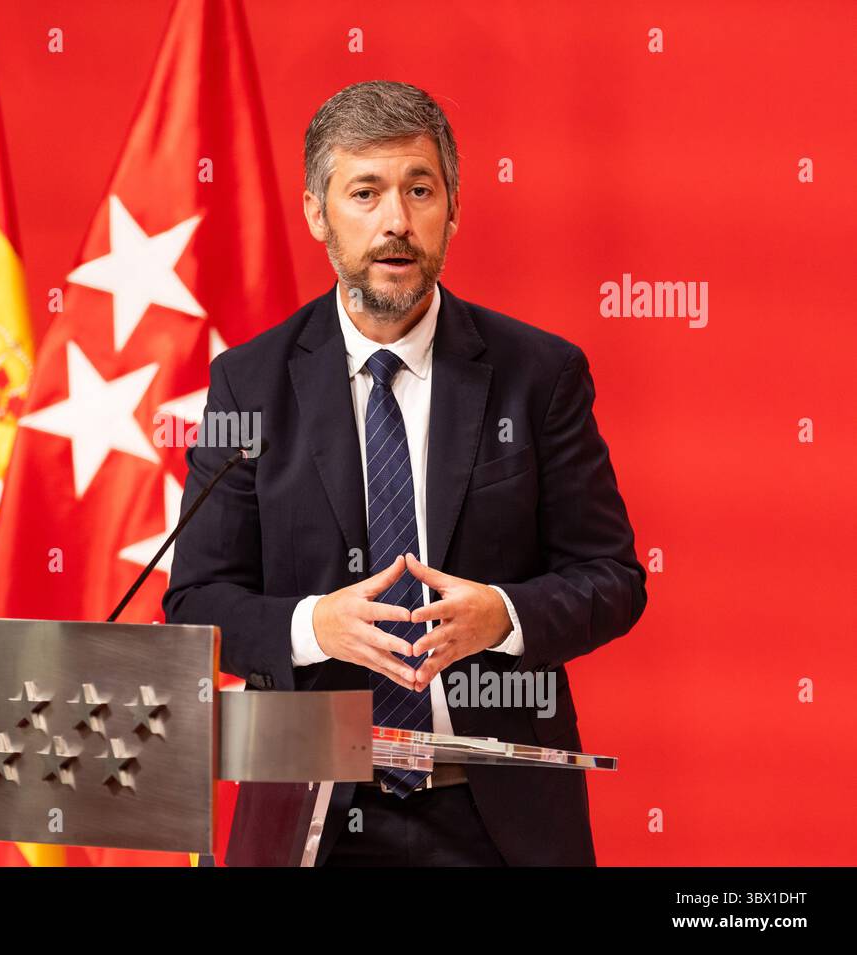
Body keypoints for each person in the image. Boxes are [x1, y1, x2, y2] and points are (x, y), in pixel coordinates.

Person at [163, 80, 647, 866]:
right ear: (318, 213)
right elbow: (195, 603)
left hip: (498, 821)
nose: (396, 221)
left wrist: (504, 614)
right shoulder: (247, 385)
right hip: (311, 815)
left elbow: (614, 578)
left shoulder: (539, 375)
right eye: (366, 192)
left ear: (452, 209)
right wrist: (312, 628)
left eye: (419, 190)